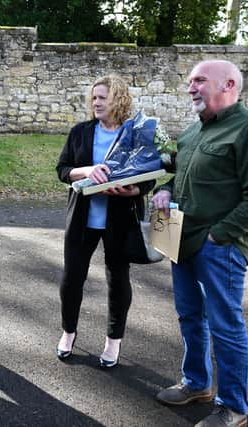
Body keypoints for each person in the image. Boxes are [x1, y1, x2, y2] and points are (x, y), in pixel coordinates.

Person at [152, 60, 248, 427]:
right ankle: (196, 383)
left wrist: (218, 236)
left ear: (229, 85)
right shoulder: (191, 133)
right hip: (179, 237)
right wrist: (163, 191)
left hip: (219, 247)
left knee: (225, 325)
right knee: (190, 315)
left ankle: (234, 407)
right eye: (190, 81)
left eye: (200, 80)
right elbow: (181, 179)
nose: (191, 87)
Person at [55, 75, 155, 368]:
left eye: (103, 97)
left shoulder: (135, 134)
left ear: (119, 99)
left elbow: (148, 176)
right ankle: (68, 333)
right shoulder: (80, 132)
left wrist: (134, 190)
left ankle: (113, 342)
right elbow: (62, 169)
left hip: (120, 220)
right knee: (72, 279)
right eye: (94, 98)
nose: (96, 102)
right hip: (82, 219)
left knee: (118, 282)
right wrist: (86, 171)